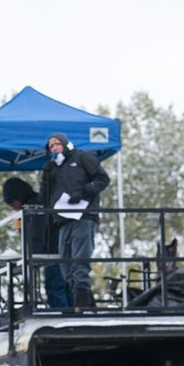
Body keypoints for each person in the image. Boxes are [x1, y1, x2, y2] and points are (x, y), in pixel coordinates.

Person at [39, 132, 110, 308]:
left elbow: (103, 179)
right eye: (51, 146)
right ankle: (87, 306)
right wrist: (46, 177)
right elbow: (44, 199)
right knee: (66, 268)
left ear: (65, 143)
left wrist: (83, 192)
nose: (54, 147)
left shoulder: (83, 157)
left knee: (80, 262)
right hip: (63, 221)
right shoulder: (53, 168)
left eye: (56, 144)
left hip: (83, 217)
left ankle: (81, 308)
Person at [2, 177, 70, 308]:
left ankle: (64, 320)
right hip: (62, 250)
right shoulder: (40, 201)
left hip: (53, 253)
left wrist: (31, 256)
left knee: (56, 288)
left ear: (17, 197)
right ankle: (74, 316)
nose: (13, 207)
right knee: (66, 287)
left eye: (12, 203)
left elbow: (36, 233)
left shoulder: (33, 205)